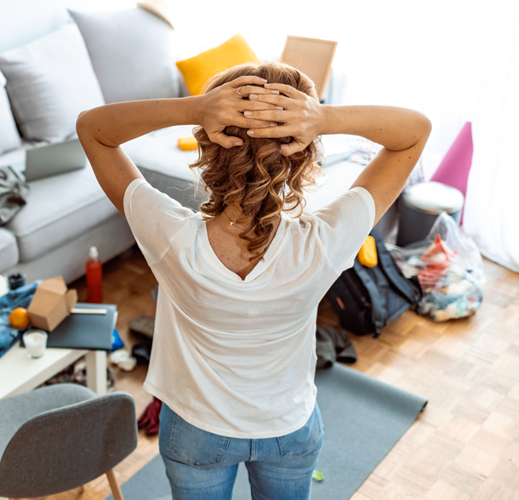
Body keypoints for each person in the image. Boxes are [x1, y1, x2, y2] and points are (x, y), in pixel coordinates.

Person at [76, 61, 431, 500]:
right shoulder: (323, 243)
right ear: (302, 153)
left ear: (208, 145)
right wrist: (325, 118)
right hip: (288, 431)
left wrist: (193, 108)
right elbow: (415, 131)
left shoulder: (168, 234)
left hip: (195, 431)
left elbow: (92, 128)